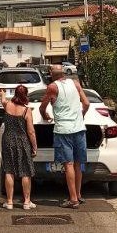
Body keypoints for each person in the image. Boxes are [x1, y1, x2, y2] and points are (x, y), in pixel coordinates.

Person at [39, 64, 90, 207]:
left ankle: (73, 199)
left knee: (68, 164)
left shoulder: (52, 87)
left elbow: (42, 107)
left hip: (63, 130)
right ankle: (79, 195)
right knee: (78, 164)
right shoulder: (75, 83)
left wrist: (45, 115)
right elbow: (86, 104)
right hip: (79, 129)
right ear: (63, 73)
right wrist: (81, 116)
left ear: (51, 73)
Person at [0, 84, 37, 210]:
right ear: (25, 95)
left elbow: (3, 100)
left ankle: (9, 202)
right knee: (25, 171)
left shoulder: (8, 105)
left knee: (9, 170)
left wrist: (2, 93)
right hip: (22, 141)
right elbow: (31, 132)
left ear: (15, 94)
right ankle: (26, 202)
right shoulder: (27, 111)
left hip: (8, 140)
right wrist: (34, 147)